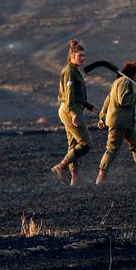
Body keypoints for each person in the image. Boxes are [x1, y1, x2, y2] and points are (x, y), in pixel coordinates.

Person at [96, 60, 136, 184]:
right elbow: (123, 101)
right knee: (112, 150)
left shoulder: (118, 82)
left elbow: (108, 99)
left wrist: (102, 117)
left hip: (126, 123)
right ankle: (100, 179)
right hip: (118, 123)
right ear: (135, 73)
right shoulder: (124, 81)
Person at [51, 39, 97, 186]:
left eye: (84, 55)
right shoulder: (70, 71)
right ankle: (60, 167)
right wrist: (74, 114)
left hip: (72, 109)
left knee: (73, 145)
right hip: (70, 110)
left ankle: (75, 179)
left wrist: (90, 107)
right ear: (72, 55)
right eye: (80, 55)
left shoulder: (75, 70)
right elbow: (70, 94)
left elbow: (78, 96)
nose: (83, 58)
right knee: (85, 144)